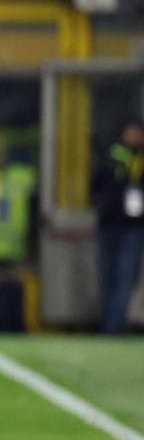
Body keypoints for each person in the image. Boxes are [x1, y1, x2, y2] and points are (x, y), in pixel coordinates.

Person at [93, 119, 144, 334]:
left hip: (133, 227)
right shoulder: (112, 156)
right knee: (107, 277)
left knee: (125, 278)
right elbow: (95, 184)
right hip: (109, 224)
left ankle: (114, 326)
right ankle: (108, 323)